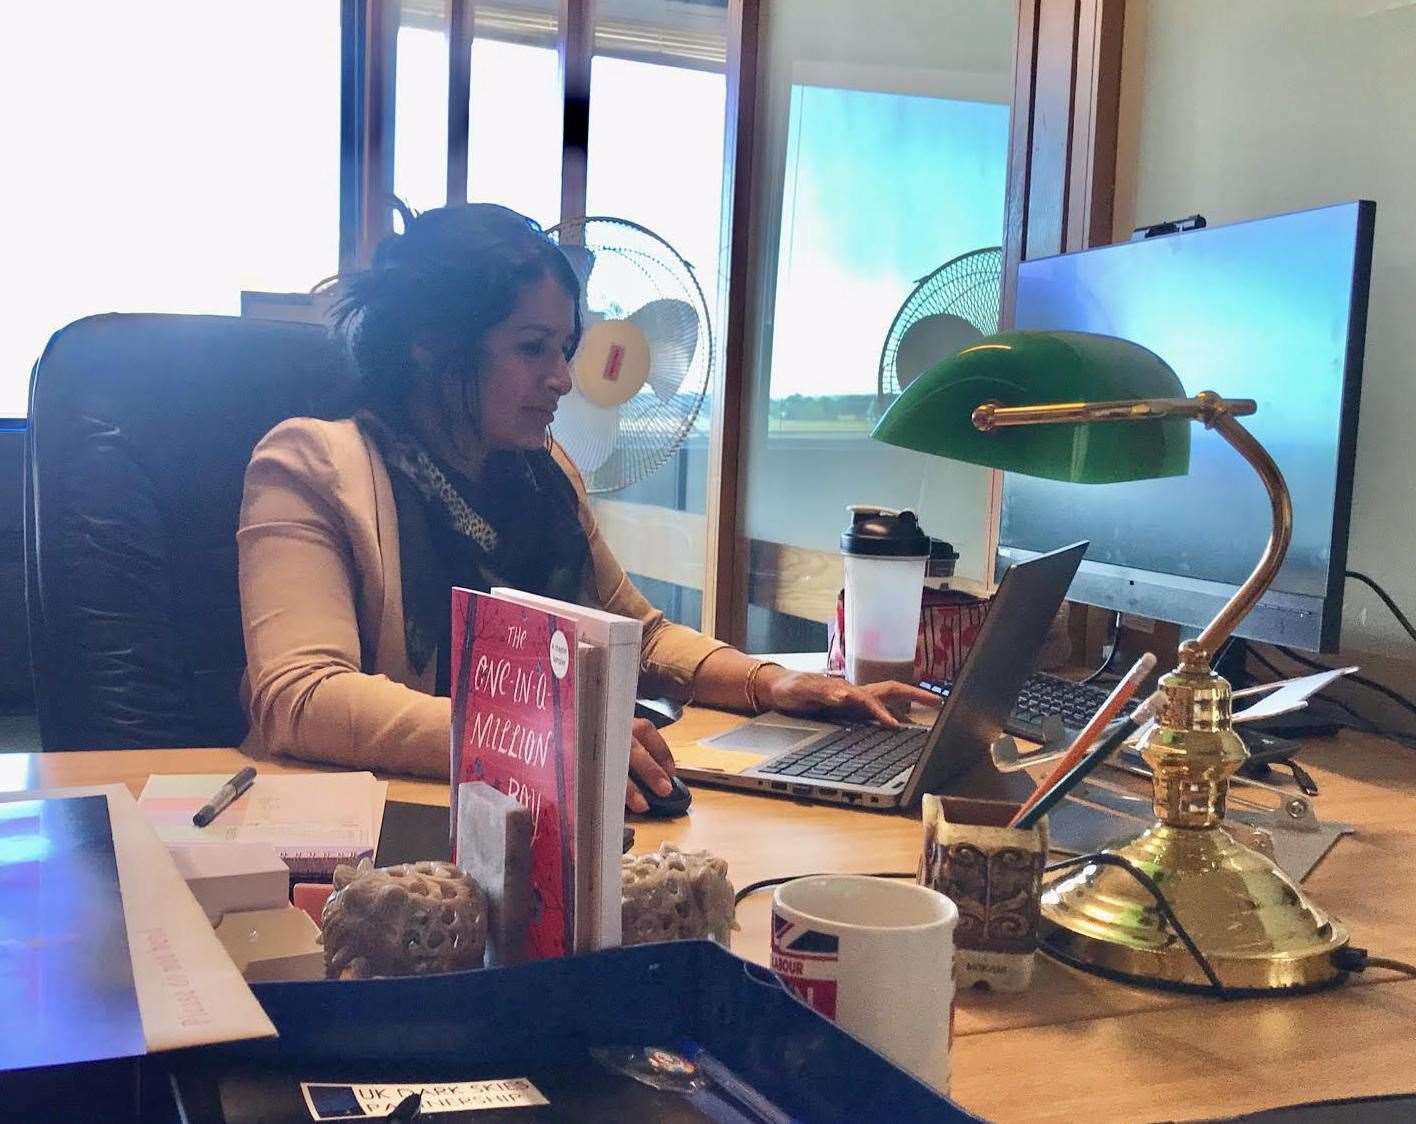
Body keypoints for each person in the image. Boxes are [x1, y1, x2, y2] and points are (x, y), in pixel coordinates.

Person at [237, 204, 936, 811]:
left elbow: (639, 634)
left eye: (565, 348)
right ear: (431, 345)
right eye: (532, 348)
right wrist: (538, 734)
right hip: (373, 835)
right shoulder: (310, 465)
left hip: (527, 814)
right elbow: (302, 697)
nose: (562, 379)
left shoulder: (542, 470)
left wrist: (775, 682)